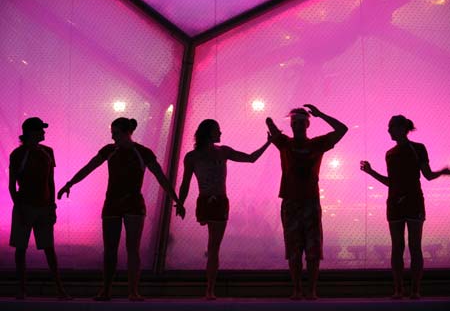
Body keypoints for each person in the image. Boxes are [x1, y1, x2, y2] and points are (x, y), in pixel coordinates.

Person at [57, 117, 183, 301]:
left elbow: (160, 177)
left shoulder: (142, 152)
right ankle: (107, 290)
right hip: (113, 204)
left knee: (132, 248)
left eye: (116, 133)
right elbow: (89, 167)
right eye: (112, 132)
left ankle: (133, 291)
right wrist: (70, 183)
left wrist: (176, 199)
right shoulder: (110, 151)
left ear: (126, 133)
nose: (112, 136)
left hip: (132, 204)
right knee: (110, 249)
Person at [178, 119, 271, 300]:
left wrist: (268, 143)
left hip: (218, 202)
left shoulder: (222, 152)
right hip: (207, 201)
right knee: (212, 246)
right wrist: (180, 202)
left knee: (213, 247)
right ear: (208, 133)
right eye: (217, 131)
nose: (220, 134)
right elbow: (185, 183)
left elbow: (251, 158)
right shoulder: (193, 157)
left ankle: (210, 289)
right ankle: (209, 288)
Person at [360, 115, 450, 299]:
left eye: (391, 127)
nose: (388, 130)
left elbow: (426, 175)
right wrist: (371, 172)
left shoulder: (416, 149)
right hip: (397, 203)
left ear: (402, 128)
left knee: (410, 246)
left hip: (410, 202)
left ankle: (411, 289)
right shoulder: (391, 154)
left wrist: (442, 172)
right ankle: (402, 289)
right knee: (401, 247)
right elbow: (393, 182)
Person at [266, 104, 347, 300]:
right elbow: (269, 123)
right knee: (294, 250)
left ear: (307, 125)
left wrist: (320, 114)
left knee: (312, 250)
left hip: (309, 202)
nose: (298, 125)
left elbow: (342, 129)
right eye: (295, 122)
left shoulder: (315, 144)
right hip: (292, 202)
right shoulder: (285, 143)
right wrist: (272, 124)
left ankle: (310, 290)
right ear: (292, 125)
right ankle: (298, 289)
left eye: (301, 122)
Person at [9, 117, 70, 300]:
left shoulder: (45, 152)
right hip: (27, 206)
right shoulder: (19, 154)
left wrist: (52, 206)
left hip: (38, 207)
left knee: (41, 248)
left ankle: (54, 289)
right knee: (26, 248)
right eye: (40, 130)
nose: (44, 133)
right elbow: (12, 185)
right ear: (31, 133)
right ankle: (26, 289)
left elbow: (50, 182)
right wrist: (19, 208)